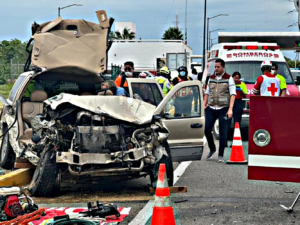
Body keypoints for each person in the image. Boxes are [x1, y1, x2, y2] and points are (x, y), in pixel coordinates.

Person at [204, 58, 236, 163]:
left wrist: (230, 109)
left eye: (218, 67)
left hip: (224, 108)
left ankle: (221, 154)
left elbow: (232, 94)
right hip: (211, 108)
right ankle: (212, 148)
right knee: (207, 130)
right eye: (215, 67)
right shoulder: (211, 78)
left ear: (223, 67)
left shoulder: (229, 78)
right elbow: (207, 92)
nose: (216, 69)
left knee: (223, 132)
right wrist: (205, 104)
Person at [227, 72, 247, 143]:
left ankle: (235, 140)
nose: (236, 79)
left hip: (238, 103)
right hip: (229, 103)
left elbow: (245, 95)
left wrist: (240, 90)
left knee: (237, 122)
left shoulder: (242, 84)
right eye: (235, 78)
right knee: (227, 122)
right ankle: (226, 140)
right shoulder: (229, 84)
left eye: (238, 78)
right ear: (232, 78)